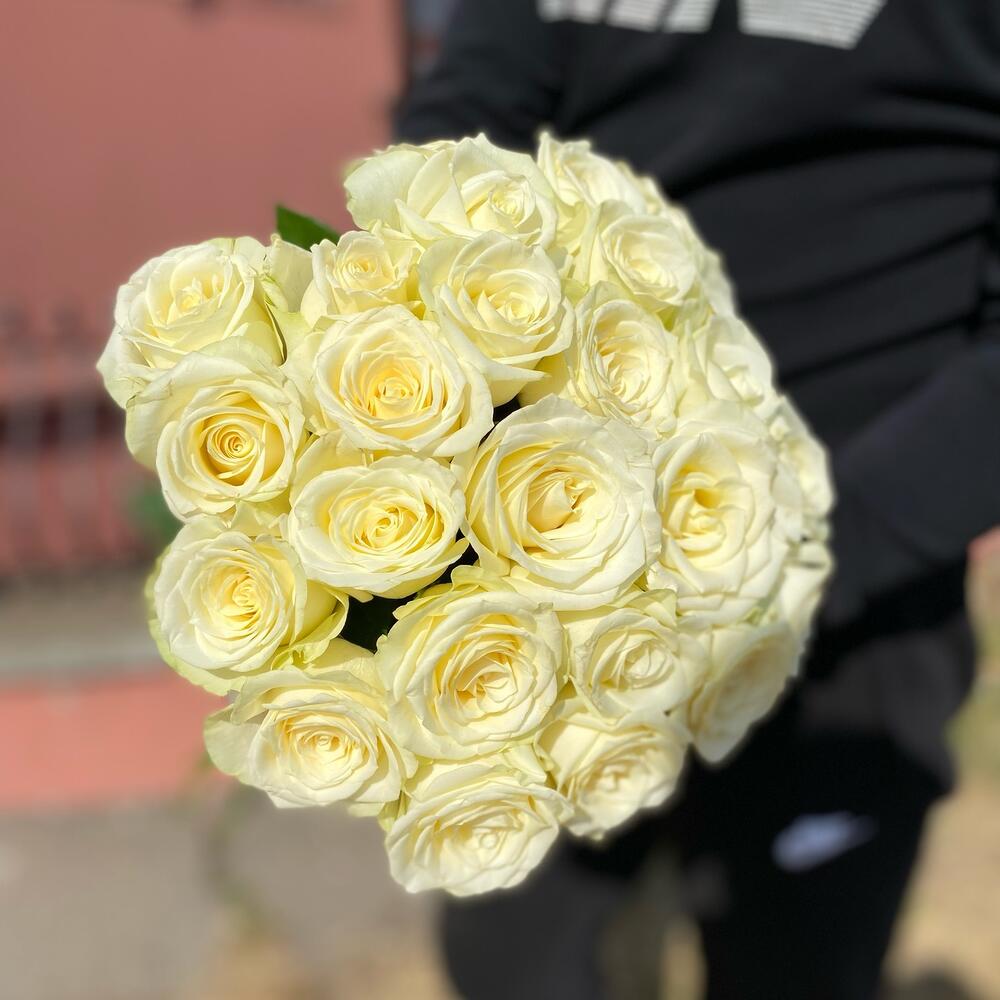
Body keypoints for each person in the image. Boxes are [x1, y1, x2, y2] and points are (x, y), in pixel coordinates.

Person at [394, 2, 999, 998]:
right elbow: (458, 140)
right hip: (550, 578)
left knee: (797, 967)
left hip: (849, 600)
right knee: (515, 959)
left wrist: (796, 554)